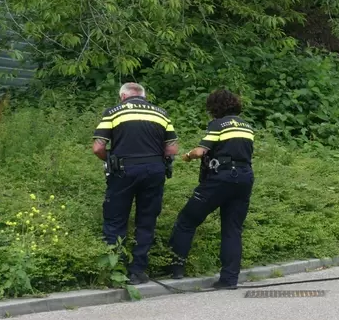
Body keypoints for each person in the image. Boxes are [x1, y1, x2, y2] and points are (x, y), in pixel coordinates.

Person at [92, 82, 179, 285]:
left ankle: (116, 270)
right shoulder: (161, 113)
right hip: (154, 171)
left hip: (123, 171)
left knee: (115, 220)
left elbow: (97, 147)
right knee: (147, 220)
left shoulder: (113, 112)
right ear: (143, 96)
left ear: (123, 97)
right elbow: (172, 149)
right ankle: (138, 271)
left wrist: (110, 160)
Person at [168, 89, 255, 290]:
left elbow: (201, 151)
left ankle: (176, 268)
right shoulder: (247, 127)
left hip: (221, 178)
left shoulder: (217, 125)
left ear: (214, 107)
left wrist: (187, 156)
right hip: (244, 178)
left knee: (187, 220)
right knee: (232, 229)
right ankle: (229, 279)